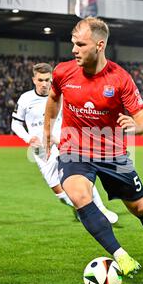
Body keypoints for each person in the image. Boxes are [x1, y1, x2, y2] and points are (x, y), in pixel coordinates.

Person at [44, 17, 143, 278]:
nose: (74, 50)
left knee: (140, 208)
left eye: (80, 44)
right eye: (73, 43)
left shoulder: (120, 79)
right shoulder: (62, 72)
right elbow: (54, 97)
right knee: (79, 196)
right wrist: (47, 129)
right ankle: (121, 256)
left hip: (112, 153)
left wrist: (134, 128)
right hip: (74, 150)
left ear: (99, 45)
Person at [12, 62, 118, 224]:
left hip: (63, 142)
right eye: (40, 80)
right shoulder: (25, 99)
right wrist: (29, 138)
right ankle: (77, 207)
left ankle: (100, 209)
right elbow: (16, 124)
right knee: (60, 193)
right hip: (41, 150)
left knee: (79, 176)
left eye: (48, 80)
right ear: (34, 80)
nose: (44, 84)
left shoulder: (59, 95)